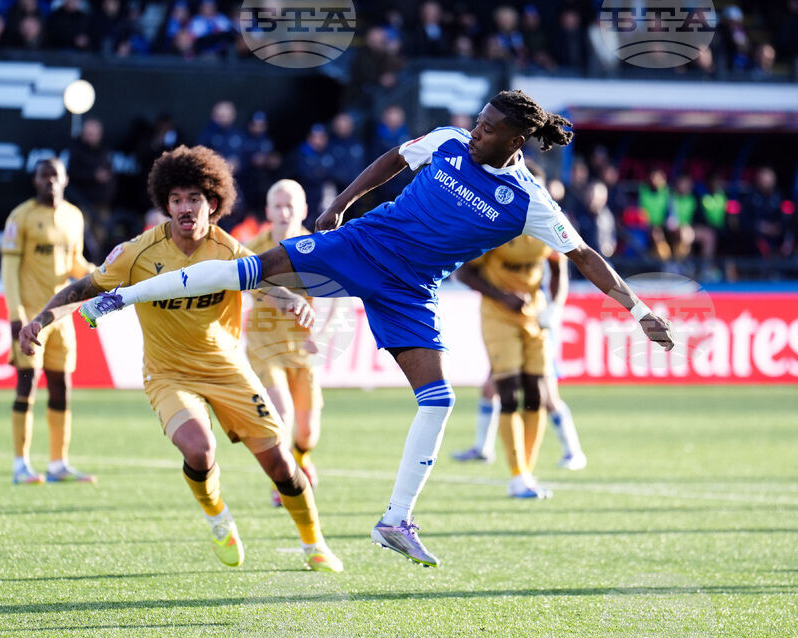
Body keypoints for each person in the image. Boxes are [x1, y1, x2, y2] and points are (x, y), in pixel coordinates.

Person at [77, 90, 675, 567]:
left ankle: (396, 520)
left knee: (437, 401)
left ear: (516, 140)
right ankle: (121, 297)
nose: (475, 130)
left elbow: (587, 257)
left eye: (488, 127)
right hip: (362, 244)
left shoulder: (529, 202)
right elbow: (394, 160)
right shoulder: (446, 142)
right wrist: (342, 202)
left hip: (411, 291)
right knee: (245, 270)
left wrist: (640, 311)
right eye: (477, 120)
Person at [18, 146, 343, 572]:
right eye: (176, 200)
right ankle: (217, 517)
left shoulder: (229, 251)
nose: (185, 208)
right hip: (168, 373)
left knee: (280, 462)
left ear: (213, 202)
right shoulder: (137, 252)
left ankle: (313, 543)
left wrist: (290, 302)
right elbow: (85, 288)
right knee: (199, 449)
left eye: (194, 199)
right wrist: (40, 320)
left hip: (227, 370)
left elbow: (264, 283)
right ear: (165, 204)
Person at [455, 239, 580, 498]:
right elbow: (464, 272)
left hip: (535, 316)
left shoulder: (547, 227)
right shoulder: (497, 229)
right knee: (508, 391)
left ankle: (527, 474)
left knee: (538, 395)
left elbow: (559, 271)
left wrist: (555, 307)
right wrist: (502, 296)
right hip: (498, 316)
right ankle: (517, 475)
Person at [0, 158, 96, 485]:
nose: (50, 182)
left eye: (55, 176)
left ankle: (58, 463)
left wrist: (100, 274)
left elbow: (75, 263)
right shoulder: (20, 217)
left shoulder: (74, 217)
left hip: (62, 317)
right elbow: (9, 271)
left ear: (65, 179)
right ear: (35, 181)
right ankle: (20, 464)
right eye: (44, 177)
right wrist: (16, 316)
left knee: (61, 388)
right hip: (30, 317)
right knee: (27, 384)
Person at [246, 180, 323, 507]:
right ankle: (285, 481)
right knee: (282, 412)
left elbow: (334, 296)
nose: (284, 212)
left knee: (307, 432)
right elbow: (250, 285)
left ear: (304, 210)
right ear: (268, 211)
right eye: (277, 206)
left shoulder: (317, 246)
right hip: (264, 348)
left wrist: (321, 333)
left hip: (302, 351)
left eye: (291, 205)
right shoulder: (253, 248)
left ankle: (301, 457)